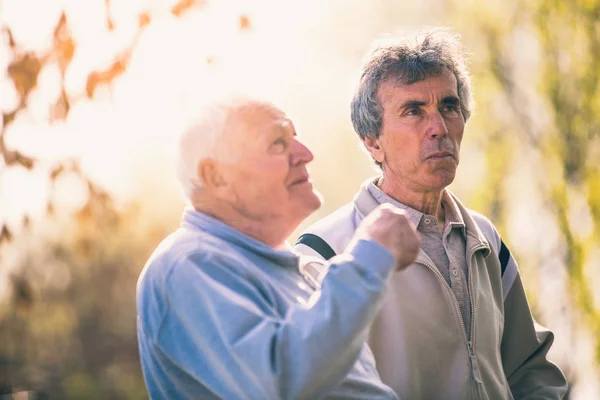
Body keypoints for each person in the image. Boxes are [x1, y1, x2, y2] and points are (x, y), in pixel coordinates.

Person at [295, 28, 568, 399]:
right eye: (413, 111)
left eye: (449, 106)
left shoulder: (485, 239)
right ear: (373, 142)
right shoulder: (322, 254)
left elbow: (530, 371)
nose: (439, 128)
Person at [136, 96, 421, 399]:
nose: (305, 154)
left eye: (295, 139)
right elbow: (278, 381)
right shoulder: (187, 264)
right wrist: (370, 255)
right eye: (277, 142)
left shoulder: (292, 269)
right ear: (217, 177)